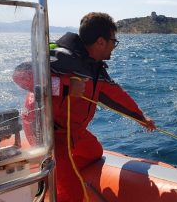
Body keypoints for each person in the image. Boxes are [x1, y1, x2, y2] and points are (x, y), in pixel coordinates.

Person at [13, 12, 156, 202]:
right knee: (73, 194)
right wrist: (64, 86)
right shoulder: (62, 59)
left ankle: (57, 175)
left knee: (93, 152)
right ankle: (61, 180)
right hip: (48, 131)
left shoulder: (95, 68)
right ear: (100, 42)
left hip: (72, 130)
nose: (115, 45)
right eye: (114, 40)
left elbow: (115, 95)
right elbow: (20, 75)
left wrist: (141, 118)